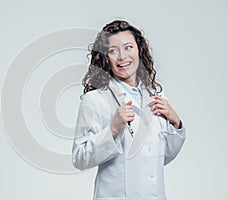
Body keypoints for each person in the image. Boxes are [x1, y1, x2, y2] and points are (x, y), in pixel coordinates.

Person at [72, 20, 186, 200]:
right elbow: (80, 158)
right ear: (104, 57)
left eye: (128, 47)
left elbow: (159, 158)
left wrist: (175, 123)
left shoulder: (156, 95)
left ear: (139, 50)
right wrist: (112, 130)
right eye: (113, 51)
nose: (122, 57)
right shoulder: (96, 100)